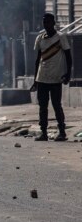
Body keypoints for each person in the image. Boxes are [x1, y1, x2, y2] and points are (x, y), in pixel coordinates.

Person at [30, 13, 73, 141]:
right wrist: (35, 80)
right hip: (42, 77)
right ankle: (43, 132)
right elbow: (38, 60)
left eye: (48, 22)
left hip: (56, 77)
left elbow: (68, 57)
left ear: (53, 23)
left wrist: (68, 74)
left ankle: (62, 132)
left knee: (56, 105)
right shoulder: (39, 38)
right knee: (42, 106)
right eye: (44, 22)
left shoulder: (60, 37)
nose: (46, 24)